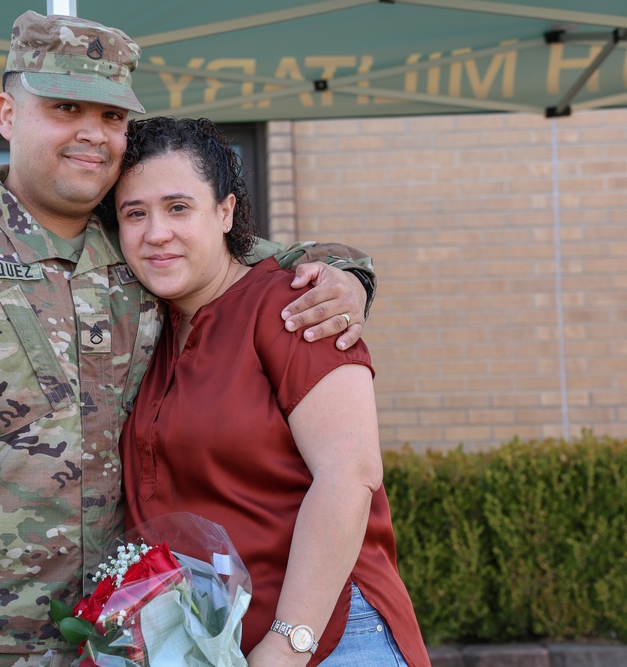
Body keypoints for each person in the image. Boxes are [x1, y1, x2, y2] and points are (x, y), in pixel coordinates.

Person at [0, 12, 376, 667]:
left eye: (110, 116)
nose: (91, 134)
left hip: (111, 645)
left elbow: (252, 258)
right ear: (8, 112)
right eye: (66, 107)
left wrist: (345, 274)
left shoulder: (139, 246)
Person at [116, 117, 430, 667]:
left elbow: (350, 476)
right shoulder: (148, 330)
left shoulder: (298, 302)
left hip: (328, 636)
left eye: (178, 207)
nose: (155, 232)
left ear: (226, 212)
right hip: (214, 646)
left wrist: (286, 646)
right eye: (134, 213)